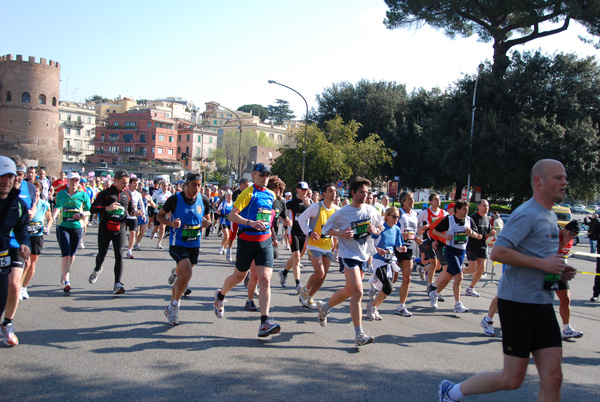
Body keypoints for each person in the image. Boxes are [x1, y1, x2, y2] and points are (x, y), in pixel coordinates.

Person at [439, 159, 576, 402]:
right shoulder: (527, 214)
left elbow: (540, 257)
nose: (564, 181)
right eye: (558, 177)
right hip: (518, 303)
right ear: (538, 181)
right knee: (512, 379)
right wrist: (543, 264)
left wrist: (557, 269)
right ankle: (452, 392)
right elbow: (498, 252)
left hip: (542, 304)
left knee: (553, 377)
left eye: (564, 177)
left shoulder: (551, 216)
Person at [213, 163, 281, 337]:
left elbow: (269, 214)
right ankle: (220, 296)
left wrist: (273, 231)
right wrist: (250, 223)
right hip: (247, 241)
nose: (265, 178)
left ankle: (264, 321)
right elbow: (232, 215)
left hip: (264, 241)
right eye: (262, 175)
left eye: (267, 175)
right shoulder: (248, 193)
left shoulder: (271, 194)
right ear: (253, 175)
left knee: (265, 279)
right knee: (239, 276)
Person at [316, 177, 384, 347]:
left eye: (367, 192)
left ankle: (325, 307)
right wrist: (341, 234)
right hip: (348, 255)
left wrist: (375, 230)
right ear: (353, 192)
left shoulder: (370, 210)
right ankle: (359, 334)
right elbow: (325, 229)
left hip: (363, 255)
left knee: (349, 290)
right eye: (362, 192)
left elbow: (380, 226)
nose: (365, 195)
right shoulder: (342, 212)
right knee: (358, 293)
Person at [158, 172, 210, 325]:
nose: (197, 188)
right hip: (178, 242)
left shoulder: (204, 200)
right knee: (187, 273)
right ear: (186, 185)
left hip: (194, 243)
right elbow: (159, 216)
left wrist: (207, 223)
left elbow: (208, 219)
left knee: (184, 274)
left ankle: (170, 304)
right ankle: (174, 305)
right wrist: (171, 224)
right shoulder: (175, 199)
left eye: (199, 185)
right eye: (194, 185)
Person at [89, 170, 140, 294]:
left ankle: (117, 283)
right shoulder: (105, 193)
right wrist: (107, 208)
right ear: (115, 180)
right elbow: (92, 209)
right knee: (102, 253)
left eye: (127, 183)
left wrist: (135, 213)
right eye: (123, 183)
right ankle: (97, 268)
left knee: (119, 255)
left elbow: (131, 210)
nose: (125, 185)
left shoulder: (127, 194)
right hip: (105, 228)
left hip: (120, 228)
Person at [0, 156, 31, 347]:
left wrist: (25, 242)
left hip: (10, 249)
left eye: (10, 177)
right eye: (2, 177)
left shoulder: (18, 203)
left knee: (13, 287)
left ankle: (7, 324)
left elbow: (22, 228)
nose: (6, 181)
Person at [429, 199, 480, 313]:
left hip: (461, 252)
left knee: (447, 277)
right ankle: (457, 304)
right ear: (457, 210)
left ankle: (434, 293)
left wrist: (472, 233)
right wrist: (445, 235)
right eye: (464, 209)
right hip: (450, 251)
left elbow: (478, 235)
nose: (466, 211)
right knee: (459, 276)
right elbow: (435, 231)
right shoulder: (449, 220)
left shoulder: (469, 220)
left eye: (467, 209)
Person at [298, 183, 340, 309]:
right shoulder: (316, 207)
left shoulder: (337, 210)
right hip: (314, 245)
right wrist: (309, 232)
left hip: (327, 245)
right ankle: (304, 290)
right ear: (324, 194)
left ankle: (309, 297)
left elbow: (340, 225)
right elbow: (301, 219)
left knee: (323, 276)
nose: (334, 193)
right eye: (330, 191)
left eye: (335, 191)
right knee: (319, 272)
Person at [52, 172, 91, 293]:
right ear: (67, 181)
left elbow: (89, 211)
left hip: (76, 227)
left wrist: (81, 215)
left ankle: (64, 272)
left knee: (72, 255)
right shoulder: (61, 194)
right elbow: (58, 206)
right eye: (72, 180)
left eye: (76, 181)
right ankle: (67, 281)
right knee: (66, 254)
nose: (74, 183)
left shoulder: (83, 195)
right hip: (63, 226)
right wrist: (53, 217)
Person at [366, 206, 406, 320]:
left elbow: (397, 246)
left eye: (398, 217)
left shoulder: (397, 229)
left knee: (385, 288)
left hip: (390, 261)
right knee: (388, 287)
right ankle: (372, 306)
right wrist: (377, 249)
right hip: (378, 260)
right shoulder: (381, 228)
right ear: (387, 216)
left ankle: (374, 307)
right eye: (394, 216)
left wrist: (402, 248)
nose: (396, 219)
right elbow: (370, 241)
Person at [20, 181, 53, 300]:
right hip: (25, 236)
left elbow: (50, 218)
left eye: (37, 193)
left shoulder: (44, 204)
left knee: (32, 264)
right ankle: (18, 286)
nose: (35, 195)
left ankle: (24, 287)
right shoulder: (25, 203)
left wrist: (48, 227)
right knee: (26, 263)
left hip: (37, 236)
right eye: (33, 193)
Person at [394, 191, 422, 317]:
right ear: (403, 201)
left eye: (413, 199)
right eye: (409, 199)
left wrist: (416, 238)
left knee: (407, 278)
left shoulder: (415, 214)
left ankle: (401, 306)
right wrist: (400, 235)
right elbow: (388, 228)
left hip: (408, 248)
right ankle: (375, 288)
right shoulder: (398, 213)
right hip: (395, 248)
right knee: (392, 279)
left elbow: (412, 231)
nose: (412, 201)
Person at [279, 182, 310, 294]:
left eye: (306, 190)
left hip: (304, 233)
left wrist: (309, 205)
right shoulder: (290, 203)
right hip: (293, 232)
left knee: (295, 257)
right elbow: (280, 214)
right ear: (297, 190)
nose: (304, 192)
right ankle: (298, 284)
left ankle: (284, 273)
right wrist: (285, 221)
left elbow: (315, 216)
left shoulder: (309, 203)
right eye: (302, 189)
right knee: (296, 257)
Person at [555, 220, 584, 339]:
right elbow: (547, 252)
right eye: (571, 234)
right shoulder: (554, 235)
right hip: (544, 270)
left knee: (566, 298)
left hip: (559, 270)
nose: (572, 237)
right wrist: (563, 243)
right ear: (565, 230)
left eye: (575, 235)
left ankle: (567, 328)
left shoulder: (570, 239)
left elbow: (564, 255)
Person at [463, 199, 496, 297]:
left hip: (483, 246)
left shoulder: (488, 219)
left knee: (481, 269)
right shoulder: (473, 218)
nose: (487, 208)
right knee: (472, 269)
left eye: (488, 206)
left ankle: (471, 288)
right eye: (484, 206)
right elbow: (468, 232)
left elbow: (487, 233)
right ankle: (458, 270)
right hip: (472, 246)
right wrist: (475, 235)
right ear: (479, 207)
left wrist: (491, 233)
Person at [417, 193, 448, 289]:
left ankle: (423, 269)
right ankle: (430, 285)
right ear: (430, 201)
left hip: (440, 241)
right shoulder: (425, 213)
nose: (438, 201)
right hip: (428, 240)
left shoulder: (444, 213)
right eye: (436, 199)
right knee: (434, 262)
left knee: (438, 266)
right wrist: (421, 228)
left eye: (439, 199)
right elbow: (415, 224)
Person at [125, 176, 144, 259]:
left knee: (133, 233)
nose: (136, 185)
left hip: (133, 216)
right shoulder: (125, 192)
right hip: (125, 216)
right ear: (130, 184)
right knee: (121, 233)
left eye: (137, 183)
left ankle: (129, 250)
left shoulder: (138, 194)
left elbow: (142, 204)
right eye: (134, 183)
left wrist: (143, 213)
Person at [151, 181, 172, 248]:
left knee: (163, 227)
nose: (165, 187)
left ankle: (159, 243)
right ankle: (153, 232)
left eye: (166, 186)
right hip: (157, 212)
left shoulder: (169, 194)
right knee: (156, 228)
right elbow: (151, 199)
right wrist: (154, 205)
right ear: (161, 186)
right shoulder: (157, 192)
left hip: (165, 213)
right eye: (164, 186)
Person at [217, 190, 234, 261]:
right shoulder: (223, 203)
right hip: (224, 222)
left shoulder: (233, 204)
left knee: (229, 237)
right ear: (226, 196)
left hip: (231, 223)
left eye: (230, 195)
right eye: (228, 195)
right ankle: (221, 247)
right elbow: (218, 211)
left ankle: (225, 248)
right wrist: (222, 214)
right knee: (226, 235)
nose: (229, 197)